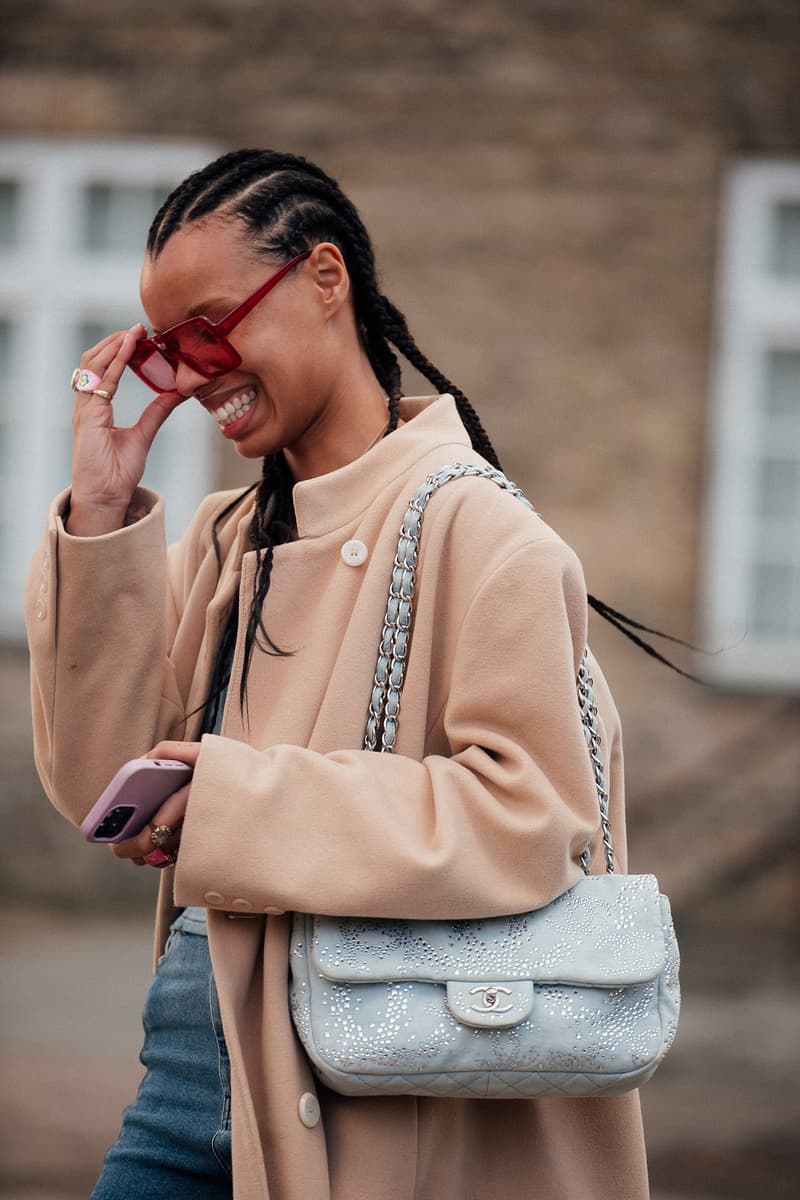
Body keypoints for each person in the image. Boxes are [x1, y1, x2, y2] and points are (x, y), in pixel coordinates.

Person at [26, 149, 651, 1199]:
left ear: (325, 279)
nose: (193, 371)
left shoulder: (479, 533)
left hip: (373, 1099)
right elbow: (102, 787)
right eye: (168, 349)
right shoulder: (231, 545)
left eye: (213, 328)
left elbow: (530, 820)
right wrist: (101, 512)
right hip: (189, 1074)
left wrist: (225, 800)